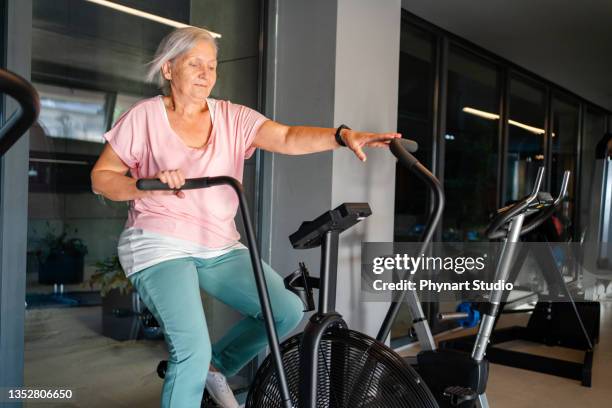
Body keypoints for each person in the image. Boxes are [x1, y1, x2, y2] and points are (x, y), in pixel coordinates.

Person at [90, 26, 401, 408]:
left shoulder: (232, 117)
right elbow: (102, 178)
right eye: (195, 64)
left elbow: (286, 137)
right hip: (159, 243)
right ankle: (198, 366)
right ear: (169, 70)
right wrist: (146, 184)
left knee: (284, 311)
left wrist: (341, 135)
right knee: (190, 348)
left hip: (219, 245)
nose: (207, 73)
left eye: (212, 65)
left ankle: (215, 368)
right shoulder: (144, 118)